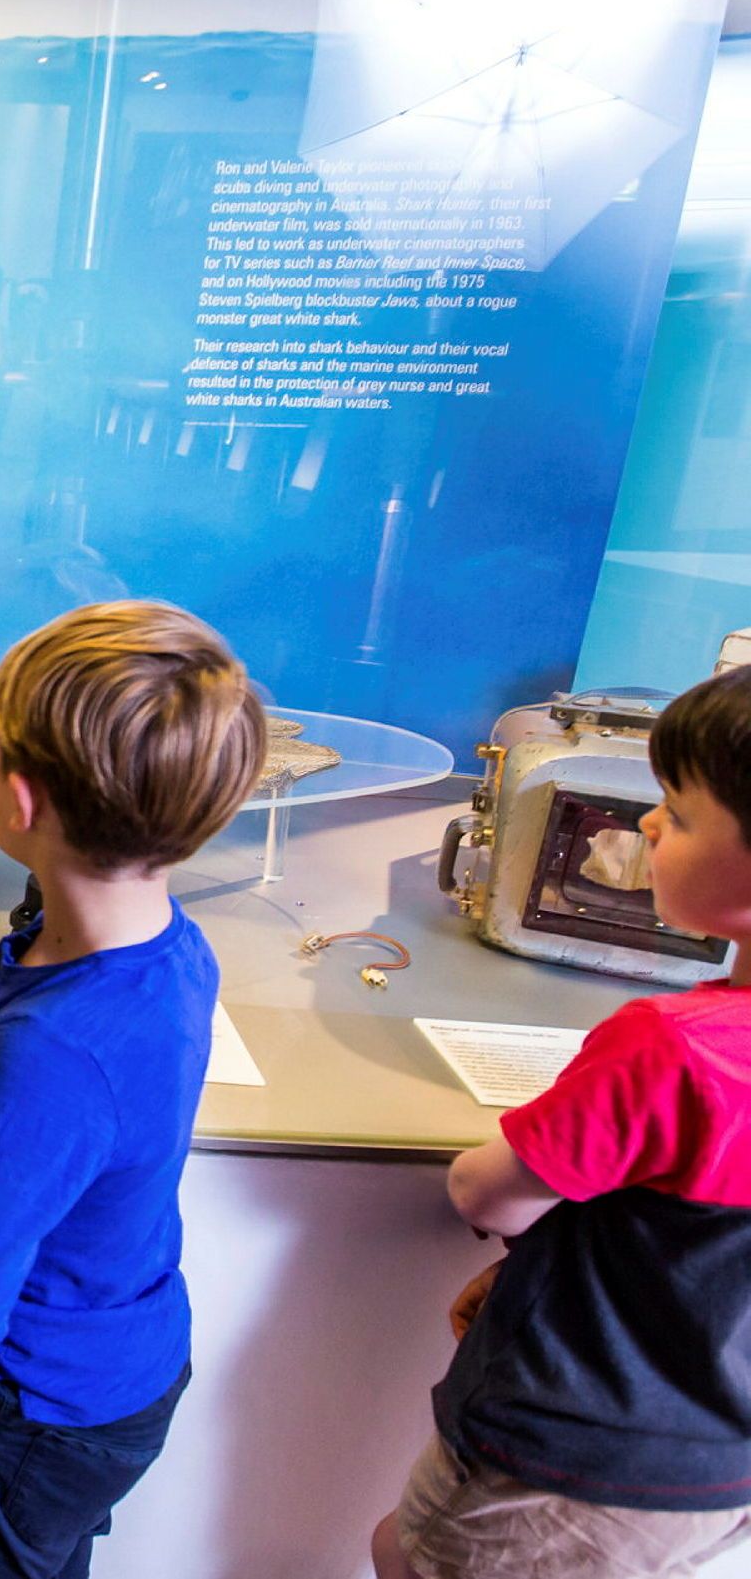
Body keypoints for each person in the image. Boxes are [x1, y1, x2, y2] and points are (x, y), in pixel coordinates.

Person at [0, 600, 267, 1579]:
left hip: (37, 1413)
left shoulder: (57, 1050)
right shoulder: (165, 949)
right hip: (116, 1371)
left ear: (22, 795)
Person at [373, 664, 751, 1579]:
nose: (648, 822)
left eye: (681, 812)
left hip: (564, 1457)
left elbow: (490, 1191)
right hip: (712, 1475)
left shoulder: (671, 1045)